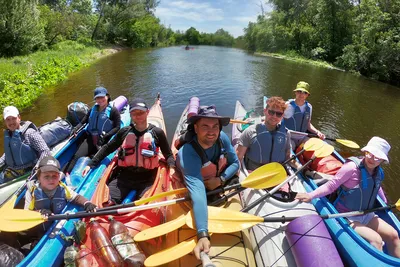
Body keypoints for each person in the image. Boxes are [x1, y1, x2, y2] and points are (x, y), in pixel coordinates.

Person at [296, 137, 400, 257]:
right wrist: (310, 195)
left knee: (394, 235)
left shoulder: (379, 172)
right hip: (348, 216)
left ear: (382, 160)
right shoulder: (351, 168)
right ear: (365, 151)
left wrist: (385, 203)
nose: (372, 159)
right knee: (376, 240)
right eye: (370, 154)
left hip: (367, 214)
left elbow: (377, 187)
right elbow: (331, 185)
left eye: (377, 157)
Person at [174, 105, 240, 260]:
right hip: (195, 181)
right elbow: (198, 192)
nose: (211, 132)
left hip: (215, 179)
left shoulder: (222, 138)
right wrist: (202, 233)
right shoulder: (188, 153)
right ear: (195, 128)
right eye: (205, 126)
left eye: (215, 127)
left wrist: (220, 179)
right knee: (198, 193)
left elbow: (235, 163)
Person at [82, 98, 175, 204]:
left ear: (147, 112)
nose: (138, 116)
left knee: (144, 204)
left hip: (148, 178)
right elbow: (108, 148)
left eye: (141, 112)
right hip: (124, 177)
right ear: (130, 115)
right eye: (134, 113)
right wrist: (91, 164)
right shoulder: (124, 132)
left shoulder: (157, 133)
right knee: (107, 203)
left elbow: (168, 154)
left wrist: (172, 168)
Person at [67, 87, 121, 172]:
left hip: (103, 140)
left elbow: (117, 127)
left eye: (102, 97)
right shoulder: (93, 109)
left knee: (95, 158)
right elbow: (84, 121)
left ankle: (90, 162)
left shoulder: (113, 111)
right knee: (76, 156)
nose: (100, 100)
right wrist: (76, 128)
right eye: (97, 98)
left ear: (107, 96)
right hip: (91, 137)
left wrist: (106, 135)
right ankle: (65, 174)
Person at [236, 96, 294, 171]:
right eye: (271, 112)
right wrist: (237, 175)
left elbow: (288, 156)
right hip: (253, 172)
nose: (274, 116)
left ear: (282, 116)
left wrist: (299, 167)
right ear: (265, 111)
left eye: (279, 114)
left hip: (276, 172)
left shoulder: (286, 133)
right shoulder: (250, 132)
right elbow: (238, 157)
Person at [0, 106, 50, 184]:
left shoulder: (29, 133)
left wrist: (38, 167)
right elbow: (9, 153)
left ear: (19, 118)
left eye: (13, 118)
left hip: (28, 171)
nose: (11, 122)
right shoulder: (9, 135)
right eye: (8, 120)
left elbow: (45, 150)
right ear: (5, 122)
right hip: (12, 170)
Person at [283, 81, 325, 147]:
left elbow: (308, 125)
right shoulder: (287, 105)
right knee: (292, 146)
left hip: (302, 137)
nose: (301, 94)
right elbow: (277, 120)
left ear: (307, 95)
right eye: (299, 91)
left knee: (314, 145)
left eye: (305, 93)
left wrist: (317, 132)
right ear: (295, 92)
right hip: (288, 136)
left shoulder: (309, 107)